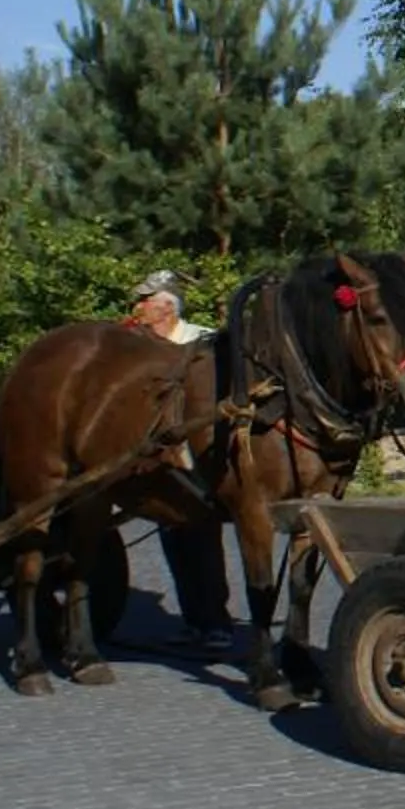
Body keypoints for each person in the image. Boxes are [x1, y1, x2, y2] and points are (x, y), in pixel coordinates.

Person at [122, 269, 229, 652]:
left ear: (165, 308)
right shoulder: (141, 346)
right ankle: (193, 620)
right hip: (156, 460)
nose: (137, 309)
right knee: (173, 539)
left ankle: (217, 621)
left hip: (194, 459)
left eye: (144, 303)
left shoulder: (200, 343)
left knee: (203, 538)